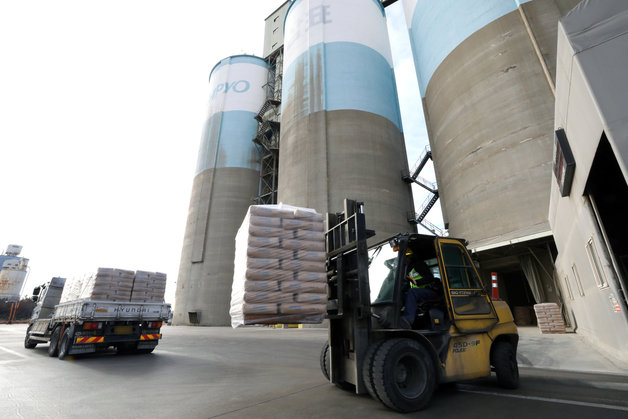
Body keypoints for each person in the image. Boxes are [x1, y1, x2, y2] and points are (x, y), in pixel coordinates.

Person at [401, 250, 441, 328]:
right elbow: (409, 283)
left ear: (410, 257)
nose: (405, 260)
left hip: (431, 291)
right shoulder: (407, 268)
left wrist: (417, 282)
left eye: (406, 258)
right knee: (401, 295)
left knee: (412, 292)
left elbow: (430, 278)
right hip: (419, 293)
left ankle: (407, 320)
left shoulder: (419, 265)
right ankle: (396, 318)